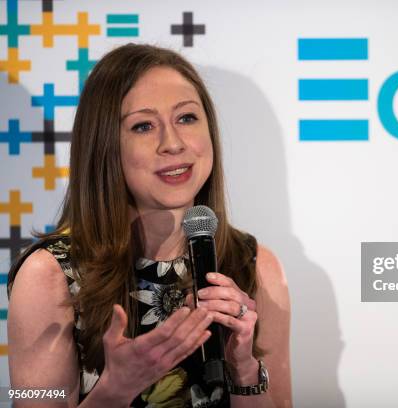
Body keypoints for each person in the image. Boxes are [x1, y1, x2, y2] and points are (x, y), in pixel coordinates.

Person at [6, 43, 292, 408]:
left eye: (187, 118)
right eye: (143, 126)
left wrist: (244, 368)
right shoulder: (48, 276)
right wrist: (115, 390)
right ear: (105, 145)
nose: (172, 143)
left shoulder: (256, 266)